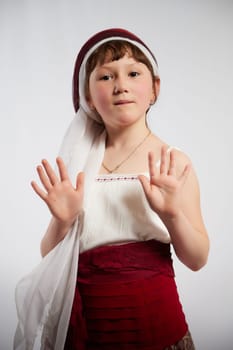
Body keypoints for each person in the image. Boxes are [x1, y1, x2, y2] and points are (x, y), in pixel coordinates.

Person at [14, 28, 209, 350]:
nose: (121, 86)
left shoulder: (172, 162)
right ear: (87, 97)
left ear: (154, 88)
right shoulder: (79, 164)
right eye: (105, 77)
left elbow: (198, 258)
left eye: (133, 73)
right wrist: (63, 220)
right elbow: (50, 255)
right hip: (90, 332)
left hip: (155, 328)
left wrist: (172, 215)